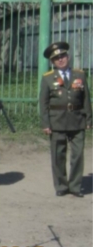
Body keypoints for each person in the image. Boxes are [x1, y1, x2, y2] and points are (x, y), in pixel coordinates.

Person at [39, 42, 91, 198]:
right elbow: (44, 103)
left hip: (77, 120)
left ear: (68, 57)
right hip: (57, 121)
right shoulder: (48, 78)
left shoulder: (79, 75)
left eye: (62, 56)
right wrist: (45, 123)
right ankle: (61, 185)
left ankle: (75, 186)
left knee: (78, 155)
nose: (60, 60)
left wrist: (89, 118)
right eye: (56, 58)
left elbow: (86, 98)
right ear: (52, 62)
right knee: (58, 154)